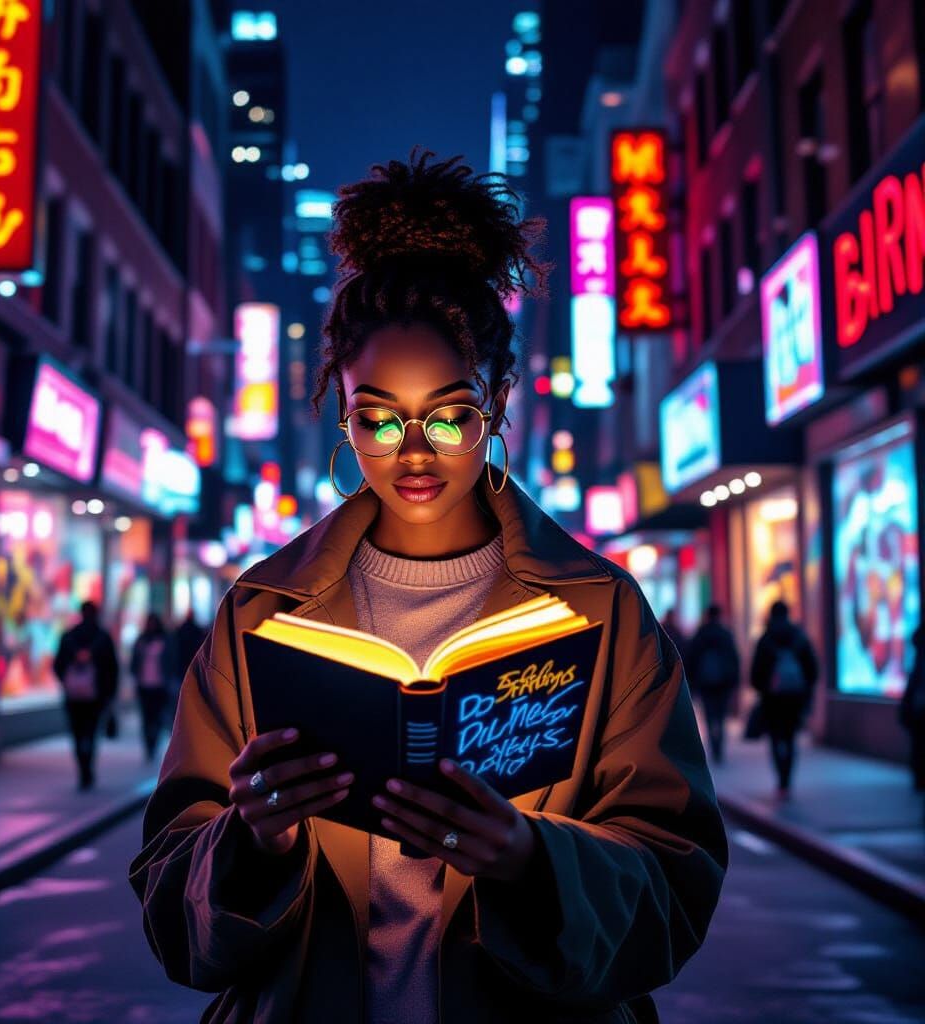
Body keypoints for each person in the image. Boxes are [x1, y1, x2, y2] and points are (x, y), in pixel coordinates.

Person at [129, 148, 727, 1024]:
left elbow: (677, 880)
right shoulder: (262, 611)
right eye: (377, 417)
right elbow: (169, 901)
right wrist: (252, 840)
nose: (414, 450)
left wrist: (531, 856)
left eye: (451, 414)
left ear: (502, 397)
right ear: (340, 405)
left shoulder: (601, 610)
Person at [750, 600, 818, 797]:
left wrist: (764, 687)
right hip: (794, 698)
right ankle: (787, 780)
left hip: (772, 699)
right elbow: (812, 669)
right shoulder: (799, 637)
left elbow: (755, 673)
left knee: (774, 737)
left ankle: (780, 778)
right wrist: (805, 689)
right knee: (790, 737)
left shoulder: (766, 639)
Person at [53, 600, 119, 789]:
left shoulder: (69, 637)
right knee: (91, 732)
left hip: (73, 697)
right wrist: (109, 693)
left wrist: (68, 681)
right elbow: (112, 669)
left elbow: (58, 665)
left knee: (77, 733)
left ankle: (83, 769)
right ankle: (88, 768)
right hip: (96, 697)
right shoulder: (103, 638)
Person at [685, 604, 740, 764]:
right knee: (721, 716)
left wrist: (692, 681)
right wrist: (734, 680)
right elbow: (733, 658)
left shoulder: (700, 634)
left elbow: (691, 659)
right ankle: (719, 747)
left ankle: (713, 745)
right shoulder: (725, 634)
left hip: (705, 682)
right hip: (723, 682)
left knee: (709, 715)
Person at [130, 612, 173, 762]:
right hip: (144, 685)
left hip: (160, 685)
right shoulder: (141, 640)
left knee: (157, 716)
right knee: (146, 717)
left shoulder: (165, 641)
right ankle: (148, 744)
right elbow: (134, 662)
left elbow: (171, 661)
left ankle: (153, 742)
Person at [898, 626, 925, 792]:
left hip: (918, 707)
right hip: (918, 707)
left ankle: (919, 777)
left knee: (918, 744)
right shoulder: (919, 659)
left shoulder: (919, 658)